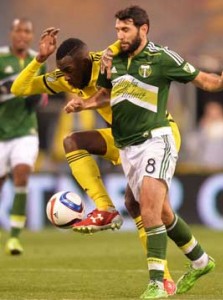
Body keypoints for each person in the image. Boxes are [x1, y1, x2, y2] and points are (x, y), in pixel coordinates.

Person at [64, 5, 223, 298]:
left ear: (143, 29)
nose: (119, 36)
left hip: (157, 139)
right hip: (128, 147)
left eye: (125, 30)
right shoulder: (114, 61)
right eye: (117, 31)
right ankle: (200, 261)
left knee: (148, 209)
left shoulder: (162, 57)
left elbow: (203, 79)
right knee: (162, 214)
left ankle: (157, 284)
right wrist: (83, 104)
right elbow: (106, 94)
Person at [11, 27, 180, 295]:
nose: (66, 78)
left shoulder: (110, 63)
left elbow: (131, 90)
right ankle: (105, 209)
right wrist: (40, 58)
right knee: (73, 142)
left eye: (69, 70)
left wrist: (87, 101)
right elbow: (19, 88)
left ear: (86, 62)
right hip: (123, 139)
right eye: (62, 71)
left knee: (146, 208)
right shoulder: (67, 79)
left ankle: (175, 273)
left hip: (155, 135)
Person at [0, 18, 46, 255]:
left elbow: (42, 94)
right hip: (1, 132)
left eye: (27, 31)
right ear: (11, 33)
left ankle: (15, 237)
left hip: (26, 130)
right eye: (18, 30)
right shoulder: (0, 58)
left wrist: (38, 97)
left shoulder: (37, 60)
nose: (22, 35)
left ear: (30, 36)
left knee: (22, 174)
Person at [185, 100, 223, 169]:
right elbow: (193, 147)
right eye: (209, 112)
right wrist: (202, 130)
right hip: (205, 167)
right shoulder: (203, 128)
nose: (213, 114)